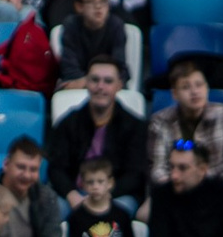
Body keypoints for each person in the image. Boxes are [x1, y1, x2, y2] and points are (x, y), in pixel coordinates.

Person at [48, 58, 149, 223]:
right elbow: (56, 169)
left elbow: (135, 175)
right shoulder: (68, 122)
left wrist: (103, 197)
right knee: (51, 211)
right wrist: (72, 195)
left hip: (116, 195)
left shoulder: (135, 126)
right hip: (74, 195)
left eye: (108, 81)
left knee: (119, 212)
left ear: (119, 85)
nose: (100, 86)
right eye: (95, 80)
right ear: (86, 83)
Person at [147, 62, 223, 193]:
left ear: (207, 88)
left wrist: (207, 195)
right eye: (186, 87)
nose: (194, 92)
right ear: (175, 94)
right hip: (176, 194)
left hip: (221, 195)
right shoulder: (160, 121)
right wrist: (177, 192)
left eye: (199, 85)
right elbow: (158, 170)